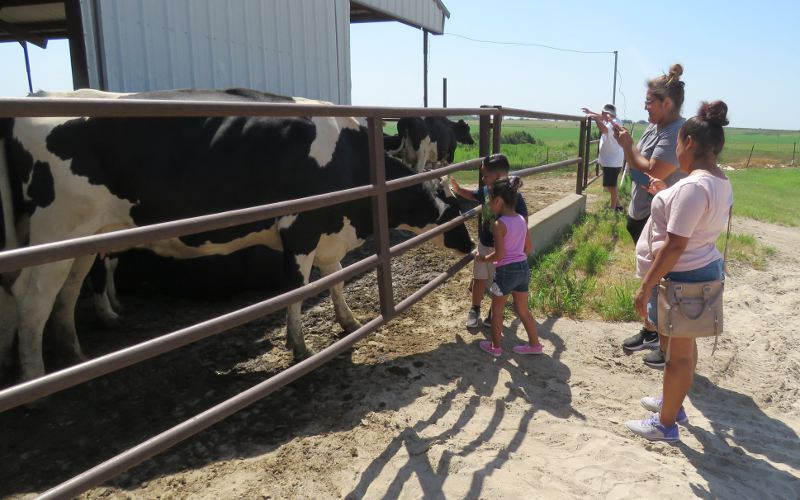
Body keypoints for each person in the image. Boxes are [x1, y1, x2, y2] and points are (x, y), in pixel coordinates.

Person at [624, 100, 733, 442]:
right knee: (682, 351)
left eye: (677, 144)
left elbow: (675, 246)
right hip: (699, 272)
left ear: (687, 143)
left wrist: (646, 285)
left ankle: (666, 424)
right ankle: (673, 404)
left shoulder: (692, 187)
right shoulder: (717, 180)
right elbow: (694, 218)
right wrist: (666, 194)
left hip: (684, 278)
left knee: (678, 356)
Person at [614, 64, 687, 368]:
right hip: (642, 211)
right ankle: (651, 330)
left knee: (659, 279)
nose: (645, 107)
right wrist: (633, 156)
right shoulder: (655, 127)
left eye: (649, 102)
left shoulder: (675, 133)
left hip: (659, 217)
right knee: (650, 276)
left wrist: (629, 149)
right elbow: (638, 166)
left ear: (666, 103)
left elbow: (653, 171)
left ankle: (664, 341)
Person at [450, 154, 529, 328]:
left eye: (485, 175)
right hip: (485, 243)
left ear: (499, 175)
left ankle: (494, 312)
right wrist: (458, 189)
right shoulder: (487, 191)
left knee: (497, 282)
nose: (483, 178)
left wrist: (519, 247)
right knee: (479, 277)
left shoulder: (516, 198)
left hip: (503, 249)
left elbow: (523, 223)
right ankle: (475, 308)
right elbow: (473, 195)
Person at [473, 177, 542, 357]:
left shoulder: (498, 224)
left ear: (498, 201)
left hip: (505, 272)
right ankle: (535, 345)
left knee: (497, 311)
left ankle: (495, 347)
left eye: (490, 201)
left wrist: (483, 258)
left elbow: (500, 254)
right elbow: (528, 248)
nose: (489, 205)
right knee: (523, 310)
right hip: (523, 269)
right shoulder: (521, 219)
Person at [581, 103, 624, 211]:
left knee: (611, 186)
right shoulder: (611, 119)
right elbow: (602, 117)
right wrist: (590, 112)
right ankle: (618, 206)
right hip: (611, 160)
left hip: (612, 161)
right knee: (610, 185)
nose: (601, 114)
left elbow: (604, 130)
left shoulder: (613, 122)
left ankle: (613, 208)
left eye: (603, 113)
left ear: (607, 114)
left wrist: (595, 118)